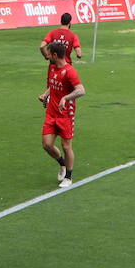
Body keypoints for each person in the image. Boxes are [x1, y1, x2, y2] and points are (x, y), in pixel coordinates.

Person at [39, 41, 85, 189]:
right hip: (51, 113)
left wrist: (65, 98)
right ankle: (62, 164)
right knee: (46, 144)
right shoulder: (52, 68)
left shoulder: (70, 71)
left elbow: (81, 90)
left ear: (54, 55)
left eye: (48, 53)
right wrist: (45, 95)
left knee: (66, 146)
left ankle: (69, 176)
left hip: (66, 114)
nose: (46, 56)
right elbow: (53, 85)